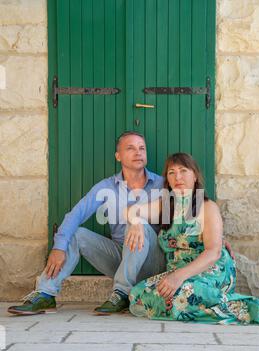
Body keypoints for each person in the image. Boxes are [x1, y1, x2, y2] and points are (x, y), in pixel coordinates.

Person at [8, 131, 166, 316]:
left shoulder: (162, 184)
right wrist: (59, 247)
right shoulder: (106, 187)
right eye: (130, 148)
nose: (138, 152)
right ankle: (45, 293)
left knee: (138, 223)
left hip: (153, 264)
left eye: (142, 148)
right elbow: (76, 215)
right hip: (121, 259)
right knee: (77, 234)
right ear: (118, 156)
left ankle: (122, 293)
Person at [126, 153, 259, 325]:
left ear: (195, 175)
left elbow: (213, 252)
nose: (178, 177)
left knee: (182, 293)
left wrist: (178, 277)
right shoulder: (166, 205)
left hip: (210, 269)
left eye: (183, 171)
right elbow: (131, 210)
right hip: (178, 269)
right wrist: (136, 222)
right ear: (167, 179)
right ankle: (192, 304)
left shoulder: (207, 206)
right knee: (136, 294)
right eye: (171, 172)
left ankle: (233, 304)